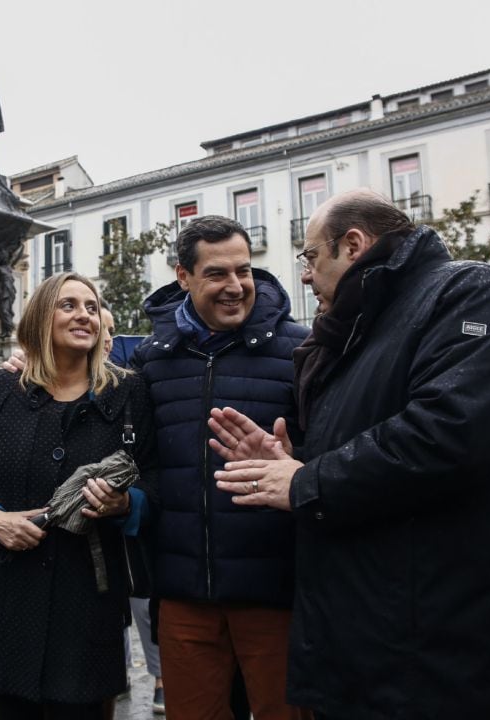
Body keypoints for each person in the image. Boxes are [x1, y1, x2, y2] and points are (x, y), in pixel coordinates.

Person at [208, 189, 490, 719]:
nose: (304, 275)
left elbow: (448, 433)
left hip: (447, 655)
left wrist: (306, 482)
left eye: (310, 257)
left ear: (353, 245)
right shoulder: (359, 325)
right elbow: (367, 436)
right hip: (369, 644)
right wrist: (293, 458)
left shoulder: (471, 293)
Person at [0, 272, 157, 720]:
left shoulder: (129, 392)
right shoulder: (4, 389)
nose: (84, 314)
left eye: (92, 306)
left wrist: (126, 505)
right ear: (41, 317)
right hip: (7, 600)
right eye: (69, 305)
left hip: (87, 605)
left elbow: (156, 480)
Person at [130, 215, 309, 720]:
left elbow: (336, 457)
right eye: (217, 274)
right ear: (183, 276)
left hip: (274, 593)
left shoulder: (300, 350)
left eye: (244, 271)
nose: (235, 287)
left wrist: (294, 465)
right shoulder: (152, 360)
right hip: (185, 593)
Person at [100, 306, 164, 716]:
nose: (105, 336)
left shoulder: (133, 385)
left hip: (132, 514)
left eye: (110, 328)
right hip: (92, 525)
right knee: (109, 602)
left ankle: (160, 677)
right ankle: (116, 669)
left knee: (142, 597)